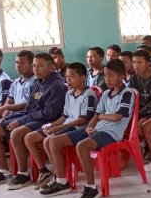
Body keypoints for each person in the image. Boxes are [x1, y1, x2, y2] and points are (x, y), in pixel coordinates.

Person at [40, 59, 134, 198]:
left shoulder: (127, 93)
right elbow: (96, 115)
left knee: (82, 146)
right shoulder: (106, 93)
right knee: (53, 141)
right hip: (98, 129)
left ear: (121, 76)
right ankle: (61, 181)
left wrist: (100, 117)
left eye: (111, 75)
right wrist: (91, 126)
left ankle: (91, 187)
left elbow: (117, 117)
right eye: (106, 75)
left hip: (111, 133)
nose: (107, 79)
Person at [0, 53, 67, 188]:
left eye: (40, 66)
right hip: (33, 116)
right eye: (34, 66)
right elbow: (29, 107)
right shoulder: (38, 82)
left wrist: (22, 121)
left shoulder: (57, 85)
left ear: (51, 67)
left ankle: (23, 174)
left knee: (17, 133)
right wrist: (14, 117)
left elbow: (50, 113)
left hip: (50, 120)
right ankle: (1, 171)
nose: (36, 69)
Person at [24, 62, 97, 190]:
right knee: (47, 141)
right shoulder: (69, 94)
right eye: (66, 76)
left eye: (72, 76)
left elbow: (83, 119)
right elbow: (64, 116)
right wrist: (52, 125)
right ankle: (59, 176)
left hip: (81, 128)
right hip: (68, 125)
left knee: (53, 142)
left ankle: (62, 182)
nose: (68, 80)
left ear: (83, 77)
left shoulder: (88, 94)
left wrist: (60, 128)